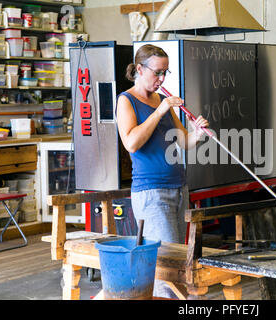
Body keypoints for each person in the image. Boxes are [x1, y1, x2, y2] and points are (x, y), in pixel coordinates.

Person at [116, 44, 209, 298]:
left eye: (165, 73)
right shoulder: (126, 101)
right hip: (152, 192)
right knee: (165, 267)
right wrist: (160, 110)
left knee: (178, 263)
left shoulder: (161, 100)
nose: (161, 79)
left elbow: (183, 141)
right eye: (157, 72)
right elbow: (131, 142)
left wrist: (199, 134)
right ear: (139, 69)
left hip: (178, 187)